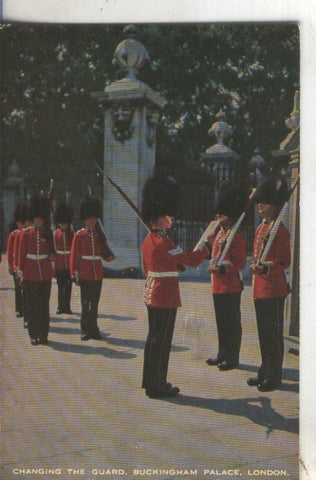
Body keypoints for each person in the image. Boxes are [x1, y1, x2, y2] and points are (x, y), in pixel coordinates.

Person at [141, 173, 213, 399]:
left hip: (152, 291)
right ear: (158, 217)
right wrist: (206, 251)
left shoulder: (148, 240)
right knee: (162, 341)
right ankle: (158, 384)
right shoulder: (165, 241)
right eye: (167, 215)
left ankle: (150, 381)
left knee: (154, 338)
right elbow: (190, 260)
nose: (171, 219)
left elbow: (149, 267)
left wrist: (173, 266)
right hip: (165, 294)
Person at [247, 174, 291, 392]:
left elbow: (284, 261)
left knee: (273, 335)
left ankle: (274, 377)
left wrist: (265, 267)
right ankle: (265, 370)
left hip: (274, 288)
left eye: (263, 204)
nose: (260, 207)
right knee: (263, 334)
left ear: (273, 206)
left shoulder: (280, 230)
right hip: (260, 288)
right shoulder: (260, 230)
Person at [206, 184, 247, 371]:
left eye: (221, 214)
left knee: (231, 323)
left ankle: (232, 357)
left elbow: (239, 263)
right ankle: (222, 353)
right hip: (217, 285)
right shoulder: (219, 235)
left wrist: (222, 269)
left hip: (230, 285)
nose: (217, 217)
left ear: (230, 215)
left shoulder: (235, 236)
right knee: (221, 322)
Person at [70, 195, 115, 341]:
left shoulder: (99, 235)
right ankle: (84, 329)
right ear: (84, 220)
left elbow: (102, 252)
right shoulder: (79, 235)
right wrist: (74, 274)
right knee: (85, 303)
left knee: (94, 304)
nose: (92, 221)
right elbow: (75, 257)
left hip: (97, 273)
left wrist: (108, 256)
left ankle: (94, 329)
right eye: (89, 219)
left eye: (93, 219)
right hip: (84, 273)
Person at [17, 192, 55, 345]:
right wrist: (20, 273)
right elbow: (21, 255)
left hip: (45, 273)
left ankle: (43, 333)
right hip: (30, 273)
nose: (39, 221)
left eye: (41, 219)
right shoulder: (26, 234)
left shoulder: (48, 233)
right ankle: (33, 334)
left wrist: (53, 255)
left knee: (44, 306)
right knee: (33, 306)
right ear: (33, 219)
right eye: (37, 219)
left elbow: (53, 253)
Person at [6, 203, 27, 319]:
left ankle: (26, 309)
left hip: (25, 265)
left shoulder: (27, 234)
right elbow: (9, 252)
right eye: (20, 223)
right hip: (15, 265)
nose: (21, 225)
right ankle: (19, 309)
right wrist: (10, 265)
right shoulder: (13, 235)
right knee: (18, 289)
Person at [54, 201, 74, 314]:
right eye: (61, 224)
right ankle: (60, 306)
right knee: (60, 287)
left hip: (69, 264)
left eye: (65, 224)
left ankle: (67, 306)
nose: (63, 226)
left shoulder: (72, 234)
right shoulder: (56, 234)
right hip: (60, 264)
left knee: (68, 287)